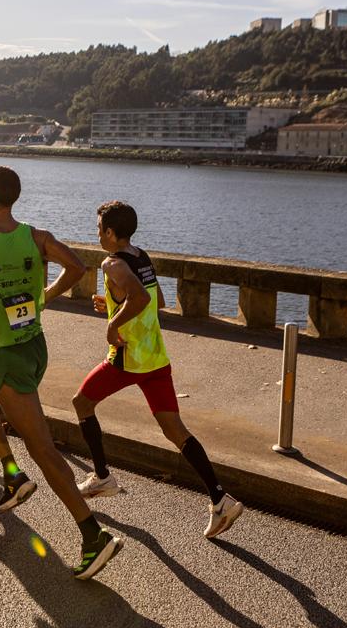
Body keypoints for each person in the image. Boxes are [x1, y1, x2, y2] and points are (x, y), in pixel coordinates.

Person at [0, 165, 123, 581]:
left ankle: (93, 535)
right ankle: (12, 475)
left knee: (43, 449)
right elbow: (77, 266)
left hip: (7, 356)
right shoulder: (36, 237)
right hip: (33, 348)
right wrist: (44, 296)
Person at [72, 200, 244, 539]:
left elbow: (142, 300)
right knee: (175, 430)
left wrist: (112, 325)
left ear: (110, 233)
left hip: (127, 359)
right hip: (155, 360)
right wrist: (112, 305)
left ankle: (102, 477)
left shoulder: (112, 263)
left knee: (81, 403)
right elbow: (157, 300)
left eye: (99, 229)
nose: (97, 234)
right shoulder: (141, 257)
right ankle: (220, 499)